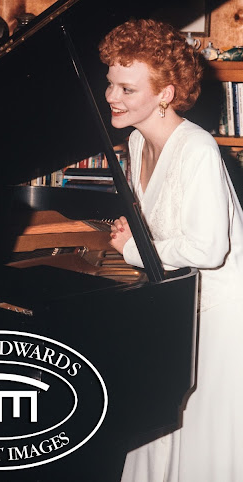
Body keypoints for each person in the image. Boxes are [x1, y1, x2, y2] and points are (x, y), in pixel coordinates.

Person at [100, 19, 243, 481]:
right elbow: (167, 219)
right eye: (110, 82)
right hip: (179, 303)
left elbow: (208, 247)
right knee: (160, 425)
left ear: (165, 94)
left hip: (220, 314)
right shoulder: (137, 140)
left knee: (201, 439)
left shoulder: (197, 148)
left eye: (127, 88)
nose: (111, 96)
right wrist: (138, 230)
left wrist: (135, 249)